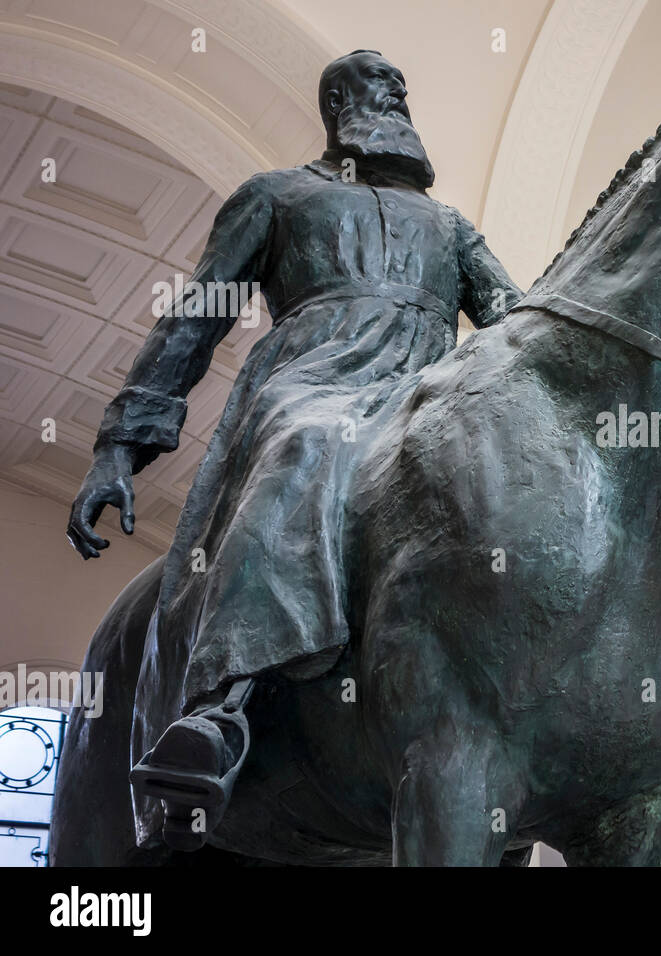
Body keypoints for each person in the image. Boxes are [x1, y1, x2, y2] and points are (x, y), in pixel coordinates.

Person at [66, 50, 521, 850]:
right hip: (319, 383)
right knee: (312, 445)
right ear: (339, 101)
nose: (401, 98)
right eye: (385, 86)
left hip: (435, 392)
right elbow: (194, 319)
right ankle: (222, 707)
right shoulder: (276, 196)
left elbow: (513, 319)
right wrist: (120, 442)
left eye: (403, 88)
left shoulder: (449, 227)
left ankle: (613, 732)